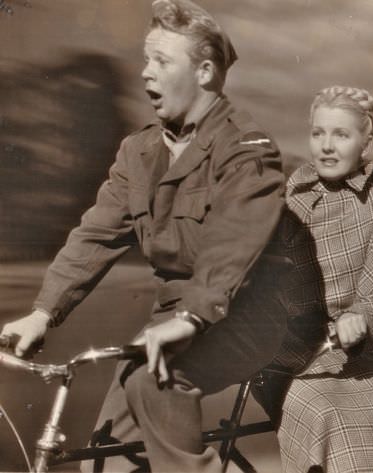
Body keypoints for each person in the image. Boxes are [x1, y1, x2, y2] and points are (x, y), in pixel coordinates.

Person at [0, 1, 288, 471]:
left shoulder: (245, 150)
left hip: (241, 317)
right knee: (110, 450)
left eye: (162, 61)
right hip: (171, 320)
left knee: (155, 383)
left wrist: (192, 317)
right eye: (145, 59)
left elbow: (234, 241)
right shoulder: (140, 152)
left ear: (205, 72)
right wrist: (43, 311)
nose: (145, 73)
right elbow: (95, 234)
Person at [256, 86, 373, 473]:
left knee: (328, 411)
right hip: (277, 354)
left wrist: (361, 317)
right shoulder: (286, 202)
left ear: (366, 141)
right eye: (318, 133)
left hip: (352, 358)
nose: (326, 146)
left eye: (341, 135)